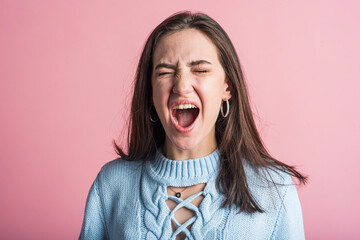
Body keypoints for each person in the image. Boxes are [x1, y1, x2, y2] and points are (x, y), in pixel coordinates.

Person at [79, 11, 307, 240]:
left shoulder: (275, 188)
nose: (182, 85)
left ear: (227, 87)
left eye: (200, 70)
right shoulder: (110, 185)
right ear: (150, 92)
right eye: (165, 72)